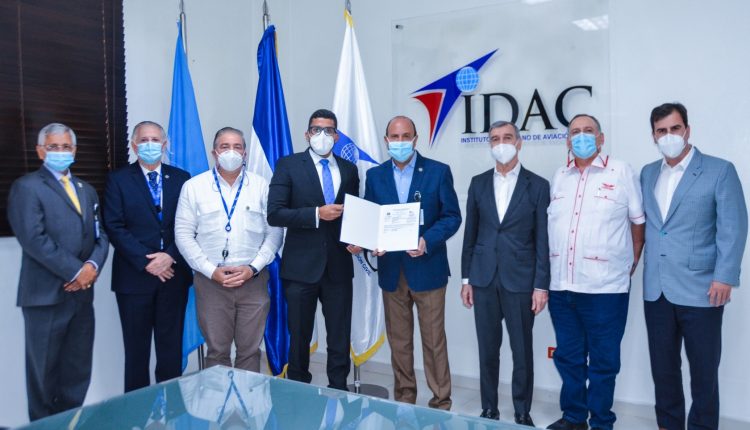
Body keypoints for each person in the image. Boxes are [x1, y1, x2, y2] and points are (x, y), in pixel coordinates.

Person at [640, 102, 747, 430]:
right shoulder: (647, 173)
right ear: (653, 136)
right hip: (656, 289)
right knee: (663, 370)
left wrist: (724, 276)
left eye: (675, 128)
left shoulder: (719, 170)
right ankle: (668, 425)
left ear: (687, 130)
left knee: (704, 373)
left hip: (703, 289)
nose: (668, 136)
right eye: (661, 131)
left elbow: (734, 226)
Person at [545, 114, 645, 430]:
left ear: (601, 139)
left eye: (588, 131)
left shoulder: (621, 171)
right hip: (563, 287)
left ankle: (601, 421)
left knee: (603, 362)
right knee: (569, 358)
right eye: (575, 132)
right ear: (567, 141)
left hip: (605, 290)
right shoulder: (560, 176)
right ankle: (574, 417)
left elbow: (638, 223)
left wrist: (630, 261)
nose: (581, 137)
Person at [7, 123, 109, 421]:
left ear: (74, 151)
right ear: (41, 151)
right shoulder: (27, 188)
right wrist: (76, 272)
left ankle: (70, 425)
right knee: (44, 378)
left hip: (81, 300)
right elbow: (33, 239)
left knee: (77, 373)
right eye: (53, 147)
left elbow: (101, 236)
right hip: (45, 299)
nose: (60, 152)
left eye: (66, 147)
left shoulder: (86, 190)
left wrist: (91, 267)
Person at [363, 115, 461, 410]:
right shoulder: (375, 176)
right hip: (392, 271)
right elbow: (371, 220)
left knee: (434, 342)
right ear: (386, 140)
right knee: (399, 342)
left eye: (406, 136)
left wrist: (427, 240)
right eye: (395, 137)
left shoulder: (437, 172)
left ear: (415, 139)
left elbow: (452, 216)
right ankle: (404, 400)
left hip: (428, 269)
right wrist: (371, 241)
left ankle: (441, 402)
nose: (400, 142)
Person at [460, 120, 550, 425]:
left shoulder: (537, 185)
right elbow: (470, 235)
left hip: (521, 279)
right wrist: (466, 279)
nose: (501, 144)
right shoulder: (478, 183)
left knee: (522, 350)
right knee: (487, 349)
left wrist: (541, 285)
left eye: (507, 138)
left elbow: (543, 240)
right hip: (483, 278)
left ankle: (522, 411)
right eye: (495, 139)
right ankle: (489, 408)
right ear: (489, 144)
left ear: (519, 142)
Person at [175, 127, 282, 372]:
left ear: (245, 153)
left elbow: (275, 232)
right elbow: (183, 234)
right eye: (225, 147)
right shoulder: (194, 187)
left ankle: (248, 398)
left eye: (237, 147)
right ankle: (218, 399)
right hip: (211, 282)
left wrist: (253, 268)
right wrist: (210, 270)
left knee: (250, 352)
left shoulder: (262, 186)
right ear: (214, 152)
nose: (231, 152)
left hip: (252, 280)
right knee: (217, 352)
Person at [267, 109, 360, 390]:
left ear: (336, 136)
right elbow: (275, 213)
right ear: (307, 134)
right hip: (300, 268)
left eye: (328, 130)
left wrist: (359, 239)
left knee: (339, 336)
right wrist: (316, 214)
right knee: (299, 337)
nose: (322, 135)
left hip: (339, 267)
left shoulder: (349, 169)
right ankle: (298, 390)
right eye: (316, 129)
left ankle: (339, 388)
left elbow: (354, 214)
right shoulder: (288, 165)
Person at [102, 121, 192, 392]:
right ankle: (136, 411)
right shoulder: (118, 179)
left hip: (173, 276)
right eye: (144, 140)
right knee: (136, 354)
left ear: (164, 145)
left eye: (155, 140)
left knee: (170, 351)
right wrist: (148, 261)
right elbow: (114, 226)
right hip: (134, 279)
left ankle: (172, 408)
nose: (150, 145)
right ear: (134, 145)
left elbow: (190, 224)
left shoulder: (182, 178)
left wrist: (170, 256)